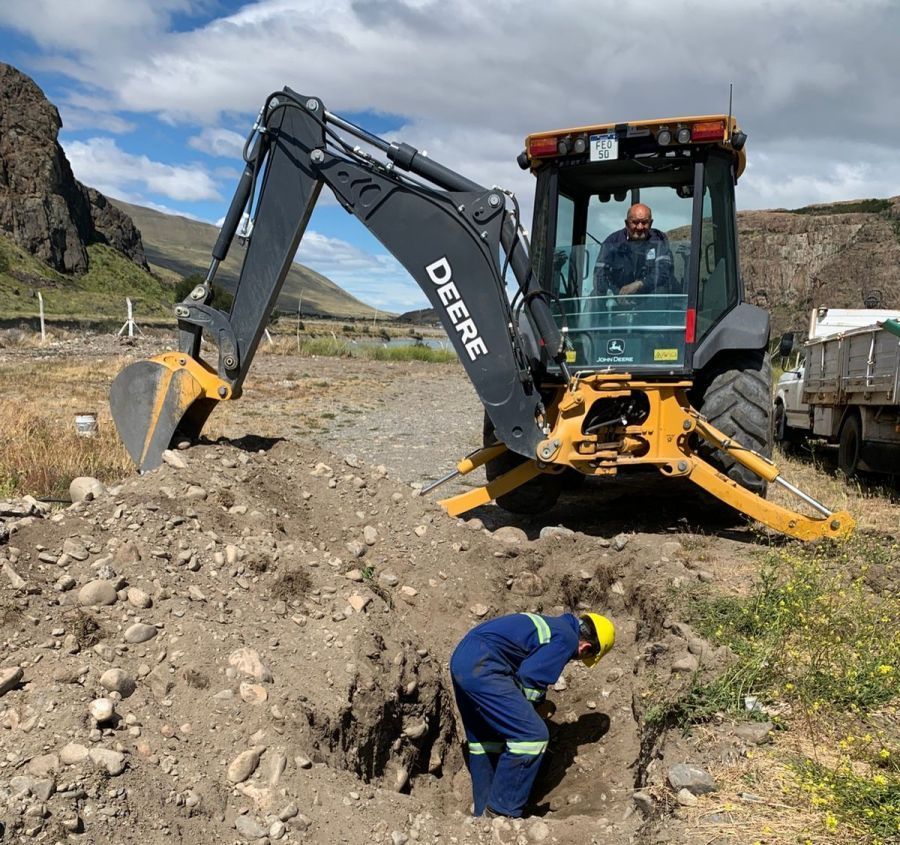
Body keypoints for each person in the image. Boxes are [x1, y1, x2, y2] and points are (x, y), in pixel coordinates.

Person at [450, 611, 615, 818]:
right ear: (586, 648)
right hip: (484, 666)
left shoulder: (553, 626)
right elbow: (530, 678)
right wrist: (534, 707)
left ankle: (482, 817)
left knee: (486, 740)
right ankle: (501, 813)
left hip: (464, 660)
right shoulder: (567, 639)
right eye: (584, 657)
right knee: (532, 737)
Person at [593, 202, 673, 300]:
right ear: (627, 223)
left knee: (661, 290)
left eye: (644, 222)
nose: (640, 227)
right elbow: (600, 275)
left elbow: (664, 271)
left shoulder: (659, 239)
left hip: (648, 297)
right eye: (635, 222)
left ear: (651, 223)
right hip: (618, 297)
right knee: (594, 295)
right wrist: (616, 295)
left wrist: (639, 284)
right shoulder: (612, 242)